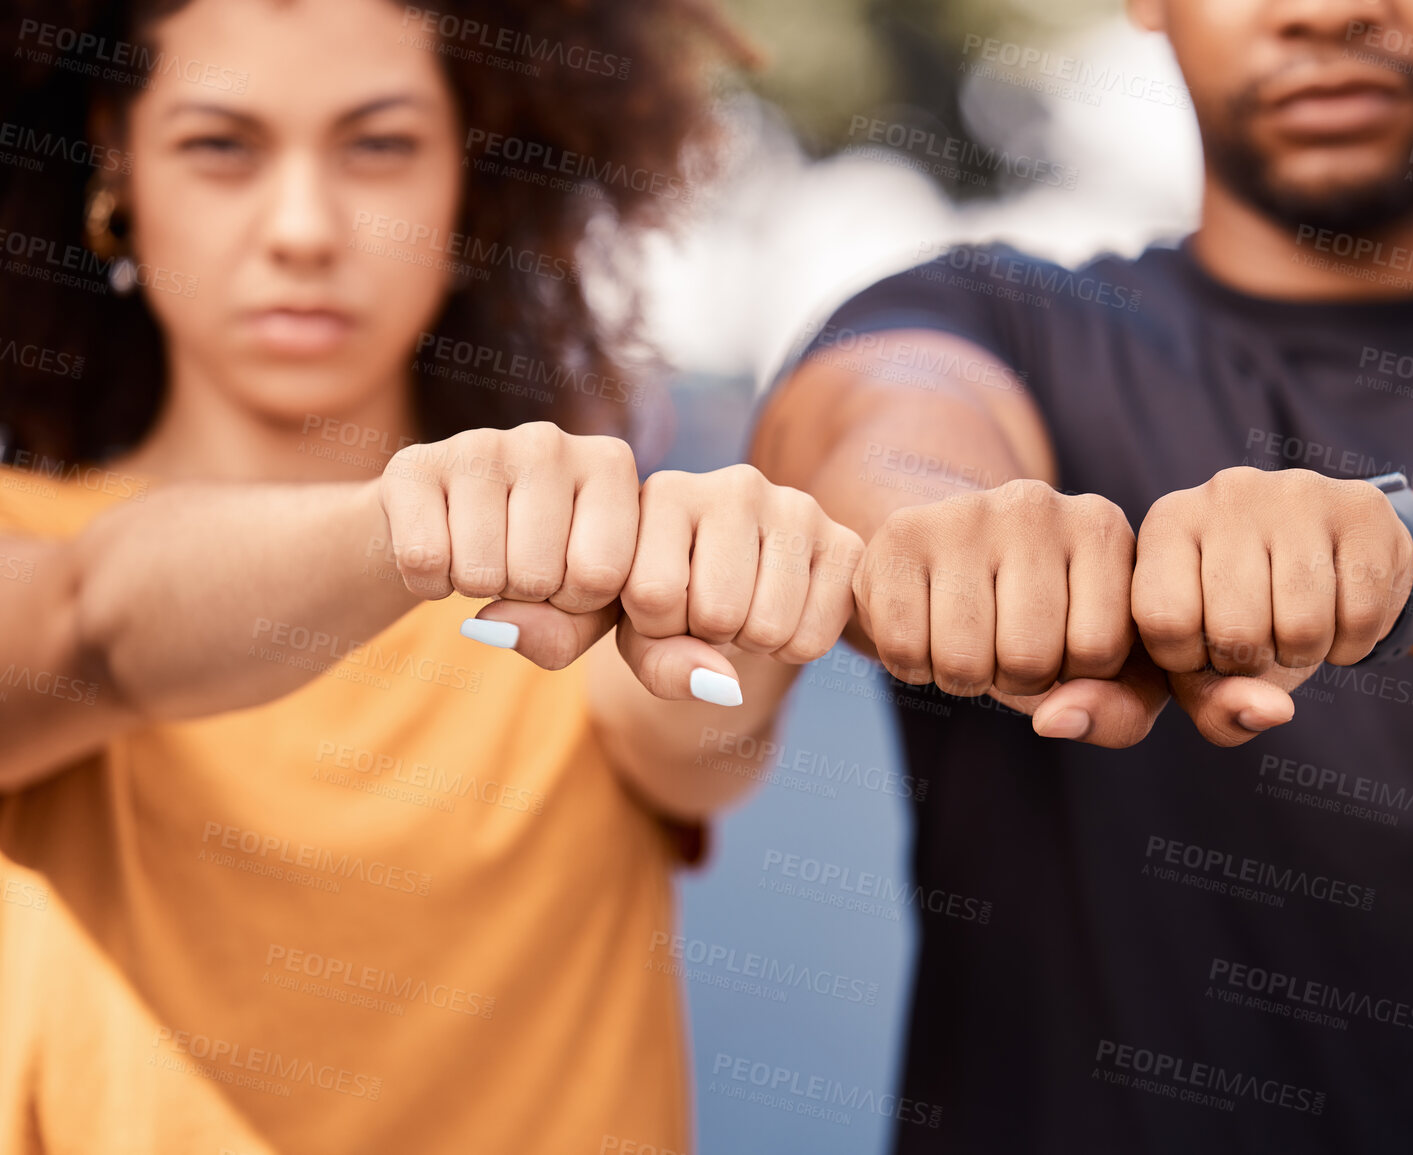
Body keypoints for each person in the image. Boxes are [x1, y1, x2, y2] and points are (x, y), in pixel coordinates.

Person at [754, 0, 1413, 1150]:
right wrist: (952, 540)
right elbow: (871, 427)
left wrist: (1383, 555)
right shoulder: (988, 314)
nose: (1325, 10)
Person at [0, 1, 861, 1152]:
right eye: (220, 147)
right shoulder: (25, 544)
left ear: (471, 175)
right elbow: (83, 626)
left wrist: (745, 620)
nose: (302, 226)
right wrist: (406, 529)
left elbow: (688, 738)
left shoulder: (581, 559)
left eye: (379, 144)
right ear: (116, 160)